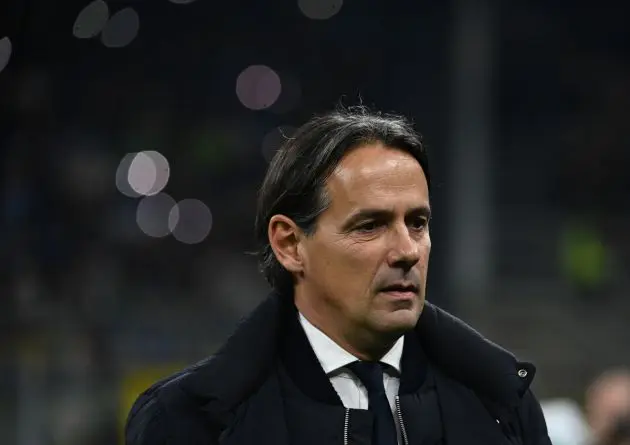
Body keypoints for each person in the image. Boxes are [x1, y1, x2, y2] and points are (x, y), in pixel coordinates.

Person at [125, 106, 551, 445]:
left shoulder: (503, 404)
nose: (406, 250)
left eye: (418, 223)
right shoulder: (185, 422)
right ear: (290, 245)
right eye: (370, 226)